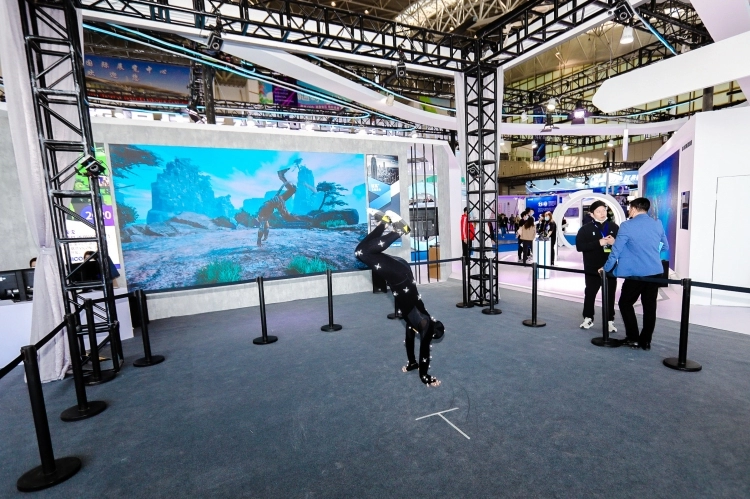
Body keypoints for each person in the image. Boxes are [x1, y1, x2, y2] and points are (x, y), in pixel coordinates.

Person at [355, 210, 445, 387]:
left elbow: (410, 342)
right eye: (430, 337)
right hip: (400, 277)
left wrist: (412, 363)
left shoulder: (415, 323)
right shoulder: (424, 323)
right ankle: (399, 231)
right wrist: (425, 376)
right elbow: (425, 353)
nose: (427, 338)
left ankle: (383, 223)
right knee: (362, 253)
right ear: (432, 331)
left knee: (360, 252)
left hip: (400, 276)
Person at [603, 197, 669, 350]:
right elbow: (664, 246)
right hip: (655, 272)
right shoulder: (657, 223)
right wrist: (649, 252)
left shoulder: (627, 225)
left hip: (636, 274)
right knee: (650, 307)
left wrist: (606, 269)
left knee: (625, 303)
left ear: (633, 208)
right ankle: (645, 341)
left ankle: (633, 338)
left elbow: (616, 251)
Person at [576, 201, 619, 332]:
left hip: (610, 267)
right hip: (592, 267)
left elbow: (622, 246)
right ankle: (588, 317)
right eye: (598, 211)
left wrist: (614, 242)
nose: (602, 213)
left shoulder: (614, 227)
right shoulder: (585, 229)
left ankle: (609, 320)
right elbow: (579, 247)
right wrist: (598, 243)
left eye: (604, 210)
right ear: (592, 214)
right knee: (590, 292)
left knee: (610, 294)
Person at [255, 166, 302, 247]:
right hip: (276, 202)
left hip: (276, 202)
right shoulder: (264, 215)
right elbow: (265, 227)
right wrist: (263, 238)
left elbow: (263, 227)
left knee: (287, 217)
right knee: (292, 191)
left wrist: (259, 240)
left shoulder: (263, 215)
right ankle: (281, 176)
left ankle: (281, 176)